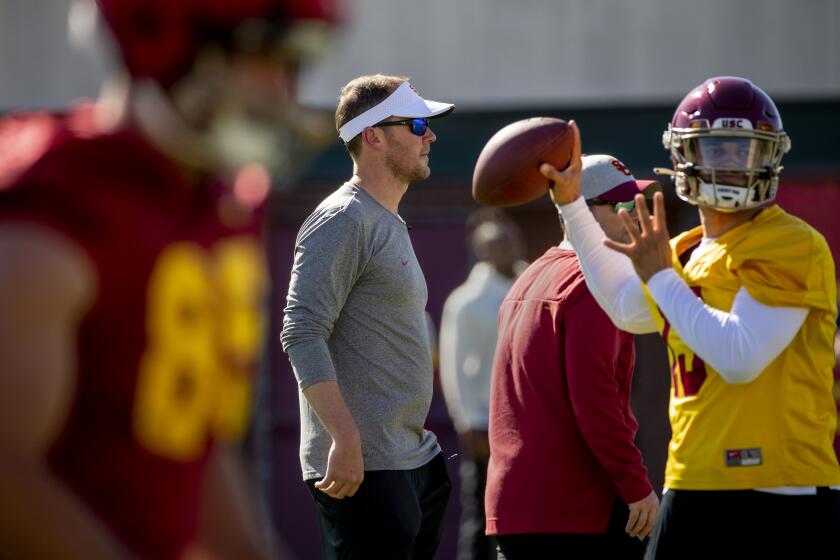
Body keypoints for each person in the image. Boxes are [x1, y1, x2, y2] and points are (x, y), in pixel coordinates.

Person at [0, 1, 343, 558]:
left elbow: (188, 444)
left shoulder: (222, 203)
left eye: (295, 65)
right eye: (266, 58)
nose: (283, 90)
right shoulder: (56, 205)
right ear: (163, 39)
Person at [541, 77, 840, 559]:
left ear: (770, 158)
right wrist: (573, 204)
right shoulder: (686, 249)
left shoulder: (791, 242)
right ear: (683, 159)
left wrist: (661, 276)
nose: (731, 168)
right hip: (692, 475)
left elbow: (740, 357)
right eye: (716, 151)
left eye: (745, 153)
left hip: (781, 486)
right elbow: (626, 308)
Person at [280, 74, 455, 559]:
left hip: (410, 459)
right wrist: (345, 436)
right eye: (418, 124)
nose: (431, 136)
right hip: (364, 466)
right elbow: (301, 330)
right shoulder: (342, 218)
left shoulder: (386, 220)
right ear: (373, 136)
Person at [485, 155, 660, 559]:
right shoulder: (592, 285)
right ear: (582, 210)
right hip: (576, 511)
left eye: (638, 205)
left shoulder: (529, 276)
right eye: (624, 207)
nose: (637, 217)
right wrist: (635, 485)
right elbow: (594, 400)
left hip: (519, 507)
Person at [439, 210, 526, 560]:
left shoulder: (530, 284)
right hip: (486, 423)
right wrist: (466, 420)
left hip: (528, 420)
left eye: (508, 239)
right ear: (482, 251)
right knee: (482, 510)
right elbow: (453, 362)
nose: (505, 248)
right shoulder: (466, 302)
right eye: (495, 243)